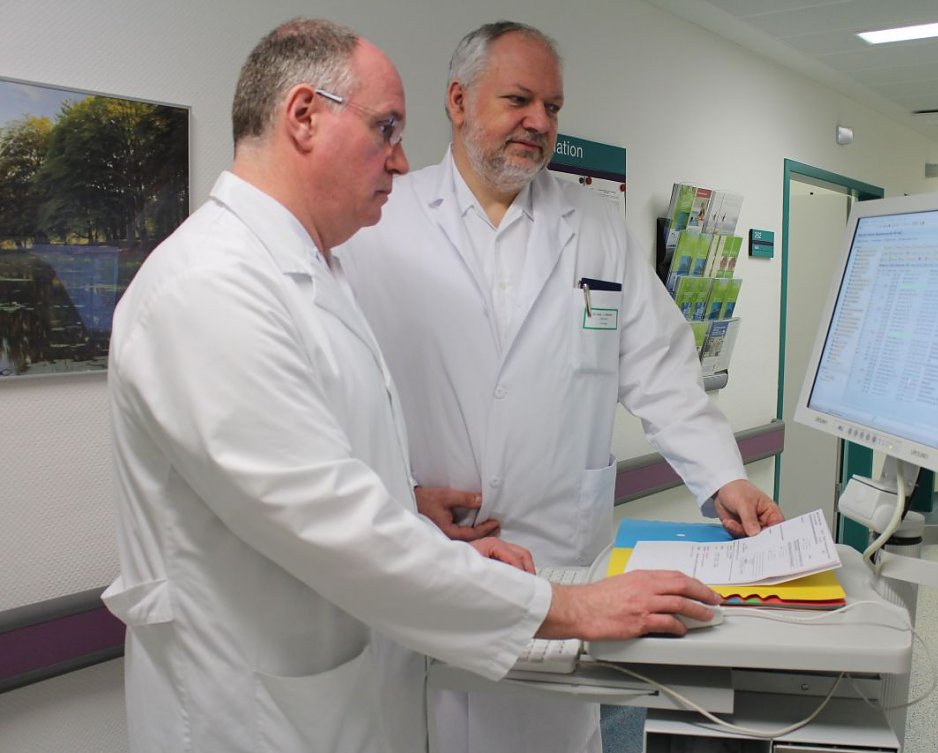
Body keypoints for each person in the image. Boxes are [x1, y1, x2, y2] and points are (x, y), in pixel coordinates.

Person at [100, 18, 723, 753]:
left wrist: (409, 503)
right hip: (253, 708)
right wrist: (568, 604)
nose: (399, 161)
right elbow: (334, 522)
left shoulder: (307, 271)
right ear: (303, 116)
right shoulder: (210, 289)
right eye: (385, 128)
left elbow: (324, 463)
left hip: (353, 659)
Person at [338, 20, 785, 753]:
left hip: (558, 559)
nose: (539, 123)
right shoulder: (384, 221)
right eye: (518, 100)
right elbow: (340, 392)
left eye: (552, 107)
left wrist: (724, 478)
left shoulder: (596, 226)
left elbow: (662, 370)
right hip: (436, 560)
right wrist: (397, 495)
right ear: (457, 100)